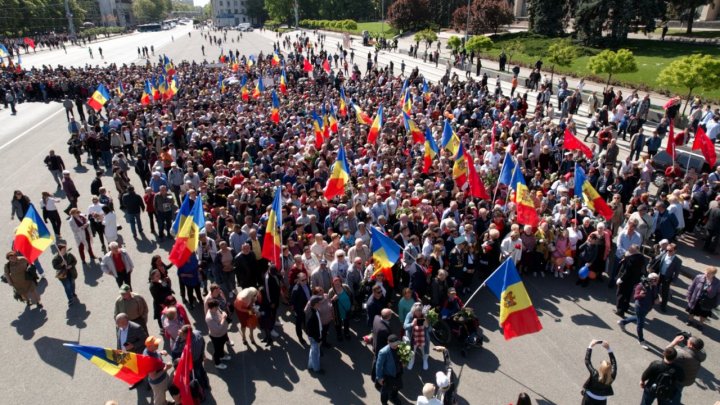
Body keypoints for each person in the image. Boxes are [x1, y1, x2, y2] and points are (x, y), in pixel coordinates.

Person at [618, 272, 660, 349]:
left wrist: (657, 299)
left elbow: (655, 294)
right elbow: (635, 297)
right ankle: (641, 340)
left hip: (648, 307)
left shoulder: (654, 286)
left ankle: (622, 322)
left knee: (638, 317)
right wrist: (640, 295)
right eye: (656, 280)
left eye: (657, 280)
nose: (657, 281)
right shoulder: (640, 286)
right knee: (640, 324)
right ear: (650, 280)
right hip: (640, 307)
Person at [665, 334, 706, 405]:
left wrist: (674, 342)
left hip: (679, 379)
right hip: (688, 379)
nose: (687, 340)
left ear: (691, 345)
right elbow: (698, 348)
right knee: (678, 390)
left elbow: (667, 353)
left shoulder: (682, 354)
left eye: (688, 341)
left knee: (675, 392)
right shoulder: (702, 355)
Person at [648, 243, 682, 312]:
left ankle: (663, 306)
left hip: (667, 278)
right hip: (659, 275)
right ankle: (652, 301)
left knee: (665, 292)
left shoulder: (678, 261)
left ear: (675, 251)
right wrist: (650, 267)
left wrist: (673, 281)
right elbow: (655, 259)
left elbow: (677, 272)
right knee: (654, 288)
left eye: (670, 250)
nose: (668, 252)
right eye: (667, 250)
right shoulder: (664, 254)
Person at [582, 340, 616, 405]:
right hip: (601, 401)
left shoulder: (595, 374)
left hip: (589, 398)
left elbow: (587, 361)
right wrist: (609, 349)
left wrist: (590, 346)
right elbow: (614, 363)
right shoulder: (612, 377)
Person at [376, 334, 403, 405]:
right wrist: (379, 378)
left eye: (396, 345)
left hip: (398, 372)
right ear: (388, 342)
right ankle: (384, 402)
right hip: (388, 376)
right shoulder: (383, 352)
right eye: (393, 345)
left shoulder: (400, 346)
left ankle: (393, 397)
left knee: (396, 387)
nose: (395, 347)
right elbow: (379, 366)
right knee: (385, 391)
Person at [143, 336, 172, 405]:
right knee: (159, 400)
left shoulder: (149, 350)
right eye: (155, 345)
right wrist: (166, 369)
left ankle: (165, 402)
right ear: (149, 346)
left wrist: (160, 353)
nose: (158, 345)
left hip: (162, 378)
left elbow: (155, 353)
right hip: (158, 383)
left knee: (162, 395)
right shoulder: (149, 360)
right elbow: (153, 376)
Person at [205, 299, 231, 370]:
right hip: (217, 336)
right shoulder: (209, 318)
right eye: (216, 307)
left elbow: (221, 311)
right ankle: (217, 363)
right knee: (217, 350)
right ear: (211, 307)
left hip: (223, 333)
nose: (218, 308)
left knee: (221, 346)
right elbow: (217, 329)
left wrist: (224, 313)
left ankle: (222, 356)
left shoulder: (216, 309)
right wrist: (223, 318)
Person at [51, 241, 78, 306]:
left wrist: (71, 265)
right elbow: (55, 267)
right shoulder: (56, 259)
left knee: (72, 283)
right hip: (63, 276)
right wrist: (61, 264)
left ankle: (73, 292)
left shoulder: (69, 254)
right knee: (67, 286)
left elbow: (75, 261)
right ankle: (70, 299)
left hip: (71, 273)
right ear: (60, 251)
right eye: (64, 249)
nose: (65, 250)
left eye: (65, 249)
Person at [404, 302, 430, 371]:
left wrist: (427, 324)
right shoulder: (410, 315)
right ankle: (411, 361)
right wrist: (412, 324)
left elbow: (429, 328)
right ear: (413, 310)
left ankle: (425, 360)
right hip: (413, 337)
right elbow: (405, 326)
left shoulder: (425, 315)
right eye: (417, 311)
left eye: (420, 311)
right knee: (412, 350)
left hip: (423, 337)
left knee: (425, 349)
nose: (418, 313)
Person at [328, 276, 353, 341]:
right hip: (337, 311)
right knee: (338, 324)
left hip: (347, 310)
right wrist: (333, 299)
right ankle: (339, 334)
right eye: (335, 283)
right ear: (333, 284)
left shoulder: (345, 287)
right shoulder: (331, 291)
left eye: (338, 282)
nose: (337, 284)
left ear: (340, 282)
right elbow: (329, 303)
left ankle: (346, 332)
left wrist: (352, 305)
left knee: (346, 322)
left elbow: (351, 295)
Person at [290, 273, 311, 345]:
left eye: (306, 279)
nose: (305, 281)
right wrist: (295, 312)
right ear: (298, 280)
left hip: (307, 308)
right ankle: (300, 337)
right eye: (303, 280)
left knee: (307, 322)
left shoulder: (306, 284)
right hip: (300, 311)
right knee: (299, 324)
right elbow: (292, 302)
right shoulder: (296, 289)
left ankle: (308, 332)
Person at [306, 295, 324, 375]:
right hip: (314, 337)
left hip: (315, 336)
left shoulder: (314, 310)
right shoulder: (312, 315)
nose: (320, 303)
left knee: (313, 351)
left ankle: (310, 365)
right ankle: (316, 369)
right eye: (319, 302)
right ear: (315, 304)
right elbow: (311, 330)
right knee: (315, 353)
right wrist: (318, 339)